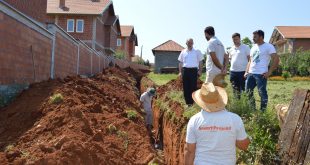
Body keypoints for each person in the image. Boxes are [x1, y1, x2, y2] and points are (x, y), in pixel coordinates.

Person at [184, 83, 250, 165]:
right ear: (220, 99)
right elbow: (244, 146)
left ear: (201, 101)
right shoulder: (235, 119)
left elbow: (189, 150)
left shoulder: (195, 120)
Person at [245, 30, 279, 111]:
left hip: (261, 74)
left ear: (261, 37)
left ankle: (262, 112)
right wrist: (246, 71)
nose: (253, 38)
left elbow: (276, 59)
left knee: (262, 93)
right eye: (253, 37)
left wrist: (269, 72)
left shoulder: (269, 46)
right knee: (248, 92)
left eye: (255, 37)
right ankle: (253, 110)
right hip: (251, 73)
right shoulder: (253, 47)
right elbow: (250, 60)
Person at [178, 38, 204, 106]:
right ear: (186, 43)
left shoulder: (197, 51)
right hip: (185, 71)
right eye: (189, 43)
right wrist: (180, 72)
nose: (190, 44)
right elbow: (180, 62)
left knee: (193, 87)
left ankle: (193, 102)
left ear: (193, 43)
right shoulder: (183, 52)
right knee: (186, 87)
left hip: (194, 71)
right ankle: (188, 103)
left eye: (191, 43)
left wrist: (200, 71)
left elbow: (201, 61)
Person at [227, 33, 250, 98]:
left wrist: (248, 71)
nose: (235, 41)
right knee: (235, 89)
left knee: (244, 89)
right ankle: (237, 103)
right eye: (233, 40)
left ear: (240, 39)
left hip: (243, 72)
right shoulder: (231, 49)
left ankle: (244, 104)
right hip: (233, 72)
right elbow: (230, 59)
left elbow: (250, 60)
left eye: (236, 39)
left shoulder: (246, 47)